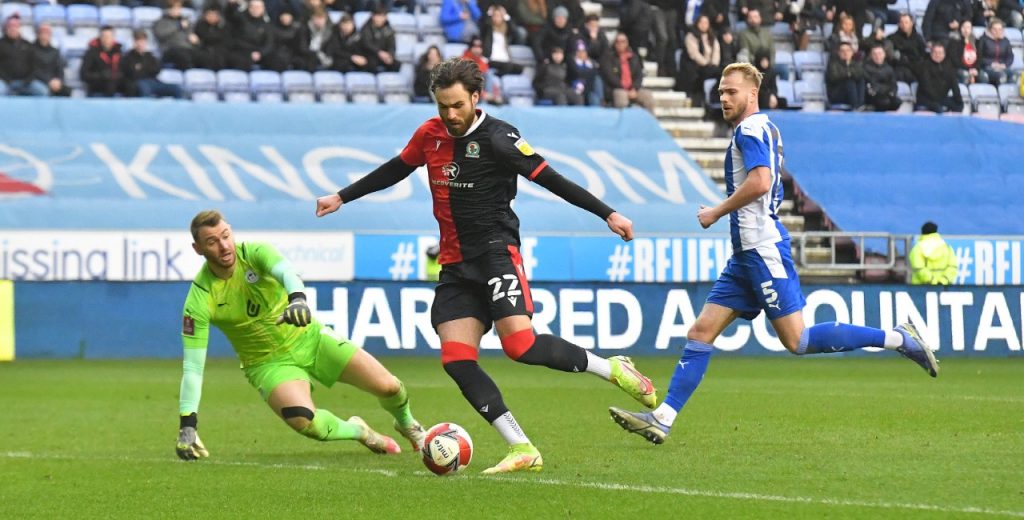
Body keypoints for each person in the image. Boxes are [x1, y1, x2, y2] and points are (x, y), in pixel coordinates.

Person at [314, 58, 657, 474]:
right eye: (443, 106)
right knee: (456, 359)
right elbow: (396, 169)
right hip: (456, 265)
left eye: (457, 105)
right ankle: (521, 447)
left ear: (477, 98)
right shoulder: (429, 134)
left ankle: (612, 368)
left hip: (496, 253)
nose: (450, 115)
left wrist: (609, 214)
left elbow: (554, 180)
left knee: (520, 347)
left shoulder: (500, 138)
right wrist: (342, 197)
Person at [609, 62, 939, 446]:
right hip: (744, 256)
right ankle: (662, 418)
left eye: (731, 92)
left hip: (761, 250)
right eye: (720, 92)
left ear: (752, 94)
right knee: (701, 331)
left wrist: (717, 210)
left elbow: (762, 181)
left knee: (797, 341)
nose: (723, 98)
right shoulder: (765, 127)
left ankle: (899, 338)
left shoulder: (749, 130)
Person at [175, 210, 426, 461]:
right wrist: (188, 424)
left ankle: (408, 424)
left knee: (389, 387)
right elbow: (193, 368)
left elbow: (287, 272)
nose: (224, 246)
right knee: (304, 420)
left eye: (226, 236)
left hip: (311, 339)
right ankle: (359, 431)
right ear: (198, 249)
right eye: (212, 242)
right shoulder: (199, 298)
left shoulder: (254, 253)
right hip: (268, 364)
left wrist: (297, 300)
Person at [122, 30, 185, 99]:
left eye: (143, 41)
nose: (141, 44)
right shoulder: (128, 57)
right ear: (134, 42)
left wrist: (141, 68)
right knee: (144, 88)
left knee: (176, 88)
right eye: (138, 41)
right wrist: (147, 69)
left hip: (154, 81)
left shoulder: (150, 56)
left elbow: (157, 70)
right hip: (139, 83)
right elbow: (132, 73)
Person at [0, 14, 47, 97]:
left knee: (42, 91)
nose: (13, 28)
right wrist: (6, 79)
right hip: (5, 81)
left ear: (19, 28)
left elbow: (34, 66)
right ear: (6, 28)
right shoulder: (1, 44)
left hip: (25, 82)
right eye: (10, 26)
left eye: (15, 26)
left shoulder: (28, 45)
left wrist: (27, 80)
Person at [914, 40, 964, 113]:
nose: (938, 55)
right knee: (937, 108)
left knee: (958, 105)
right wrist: (938, 100)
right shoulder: (924, 66)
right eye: (935, 53)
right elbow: (926, 86)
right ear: (931, 53)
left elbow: (954, 85)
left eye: (940, 53)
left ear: (944, 54)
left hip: (941, 98)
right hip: (926, 98)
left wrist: (959, 101)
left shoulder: (949, 67)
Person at [80, 26, 125, 98]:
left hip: (116, 83)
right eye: (104, 37)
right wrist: (101, 75)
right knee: (109, 84)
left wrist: (116, 75)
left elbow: (124, 71)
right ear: (100, 38)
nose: (106, 39)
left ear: (113, 38)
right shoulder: (91, 53)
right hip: (97, 85)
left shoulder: (119, 52)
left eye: (109, 37)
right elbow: (84, 74)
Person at [826, 41, 866, 109]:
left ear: (852, 53)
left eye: (848, 50)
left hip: (853, 92)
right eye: (842, 51)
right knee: (849, 82)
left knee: (861, 81)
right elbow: (834, 77)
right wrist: (849, 74)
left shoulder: (856, 64)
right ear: (839, 53)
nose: (845, 53)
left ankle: (860, 105)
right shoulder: (833, 64)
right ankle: (856, 106)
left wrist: (848, 74)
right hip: (837, 94)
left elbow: (860, 74)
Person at [863, 44, 901, 111]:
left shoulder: (889, 68)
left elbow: (893, 84)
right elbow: (872, 85)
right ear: (871, 56)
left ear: (884, 55)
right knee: (884, 102)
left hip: (887, 94)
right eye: (875, 54)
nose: (877, 56)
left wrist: (892, 92)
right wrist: (886, 89)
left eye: (880, 53)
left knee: (897, 102)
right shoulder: (866, 68)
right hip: (873, 96)